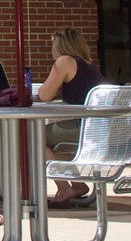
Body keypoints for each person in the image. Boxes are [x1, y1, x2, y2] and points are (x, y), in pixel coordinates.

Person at [37, 26, 110, 205]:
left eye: (53, 45)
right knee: (52, 144)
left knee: (35, 137)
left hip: (86, 128)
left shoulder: (64, 61)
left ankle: (64, 188)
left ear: (60, 46)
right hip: (100, 128)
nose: (52, 49)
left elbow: (44, 95)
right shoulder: (87, 65)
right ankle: (77, 185)